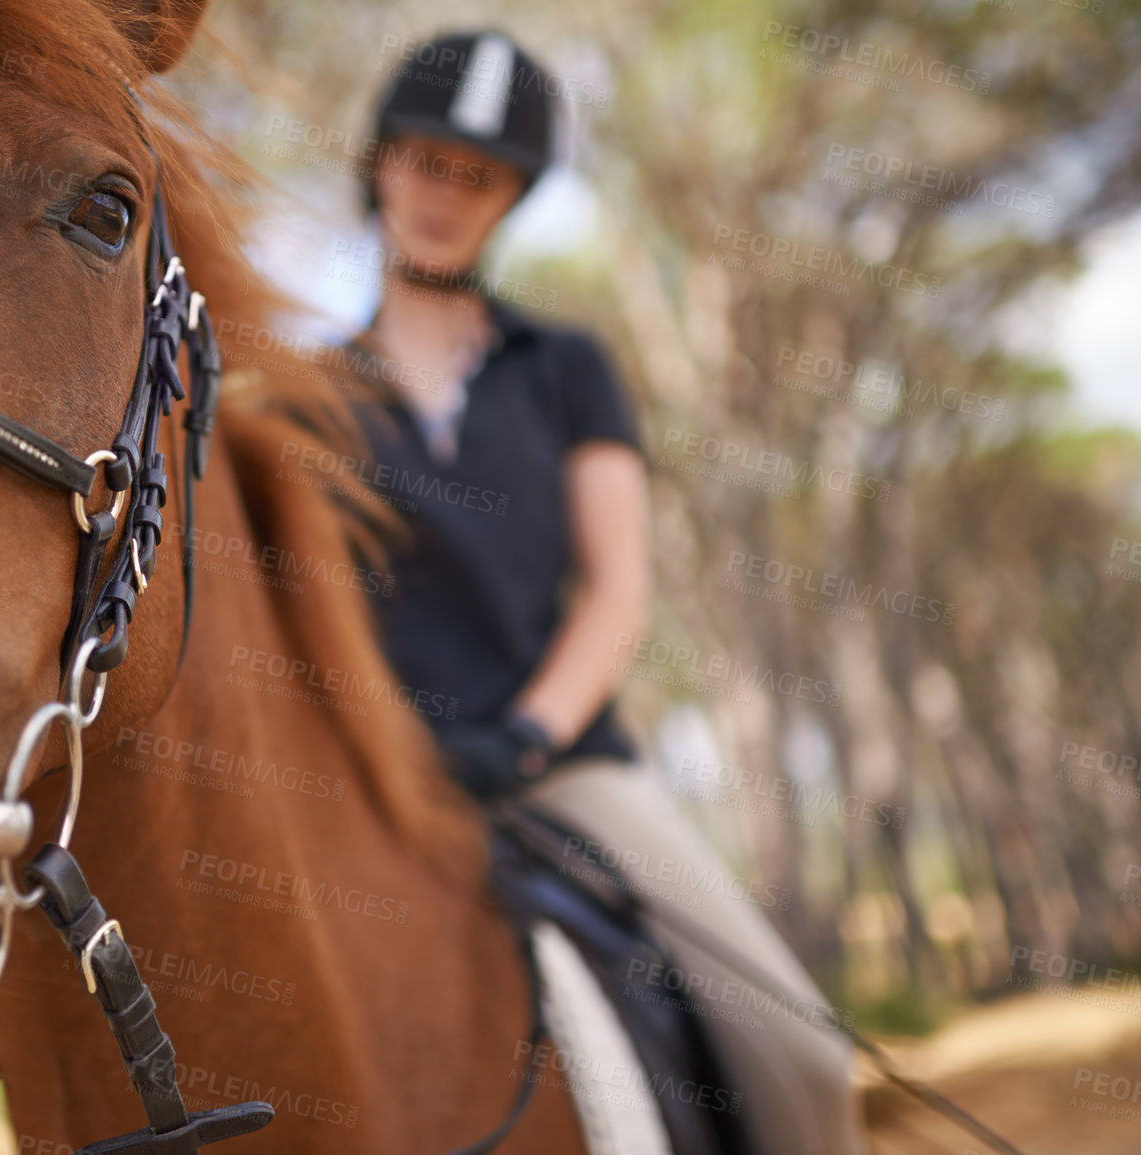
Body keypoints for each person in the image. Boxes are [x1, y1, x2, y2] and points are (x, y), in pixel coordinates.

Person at [345, 31, 865, 1155]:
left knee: (808, 1063)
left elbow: (617, 593)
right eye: (427, 160)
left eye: (477, 175)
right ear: (380, 161)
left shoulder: (566, 367)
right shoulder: (305, 398)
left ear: (513, 197)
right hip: (374, 785)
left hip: (561, 770)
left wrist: (520, 738)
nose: (445, 193)